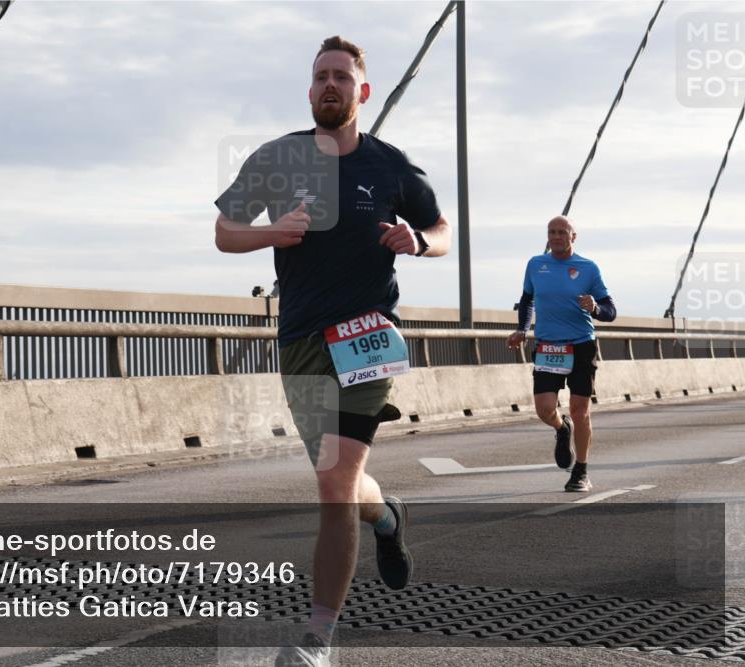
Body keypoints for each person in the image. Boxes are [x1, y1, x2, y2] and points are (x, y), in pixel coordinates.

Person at [214, 36, 450, 666]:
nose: (330, 85)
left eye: (342, 77)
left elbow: (442, 229)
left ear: (362, 92)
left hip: (368, 340)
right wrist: (272, 231)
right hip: (300, 343)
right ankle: (387, 517)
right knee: (339, 482)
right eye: (321, 76)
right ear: (309, 88)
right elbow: (224, 232)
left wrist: (418, 242)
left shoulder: (391, 166)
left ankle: (319, 637)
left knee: (334, 484)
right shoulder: (277, 158)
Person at [507, 216, 617, 492]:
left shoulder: (588, 268)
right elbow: (527, 300)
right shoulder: (536, 264)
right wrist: (522, 329)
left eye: (562, 232)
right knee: (544, 409)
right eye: (551, 232)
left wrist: (594, 307)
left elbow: (610, 310)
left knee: (580, 411)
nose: (556, 237)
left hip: (581, 345)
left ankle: (580, 470)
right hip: (548, 346)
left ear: (573, 237)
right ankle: (560, 428)